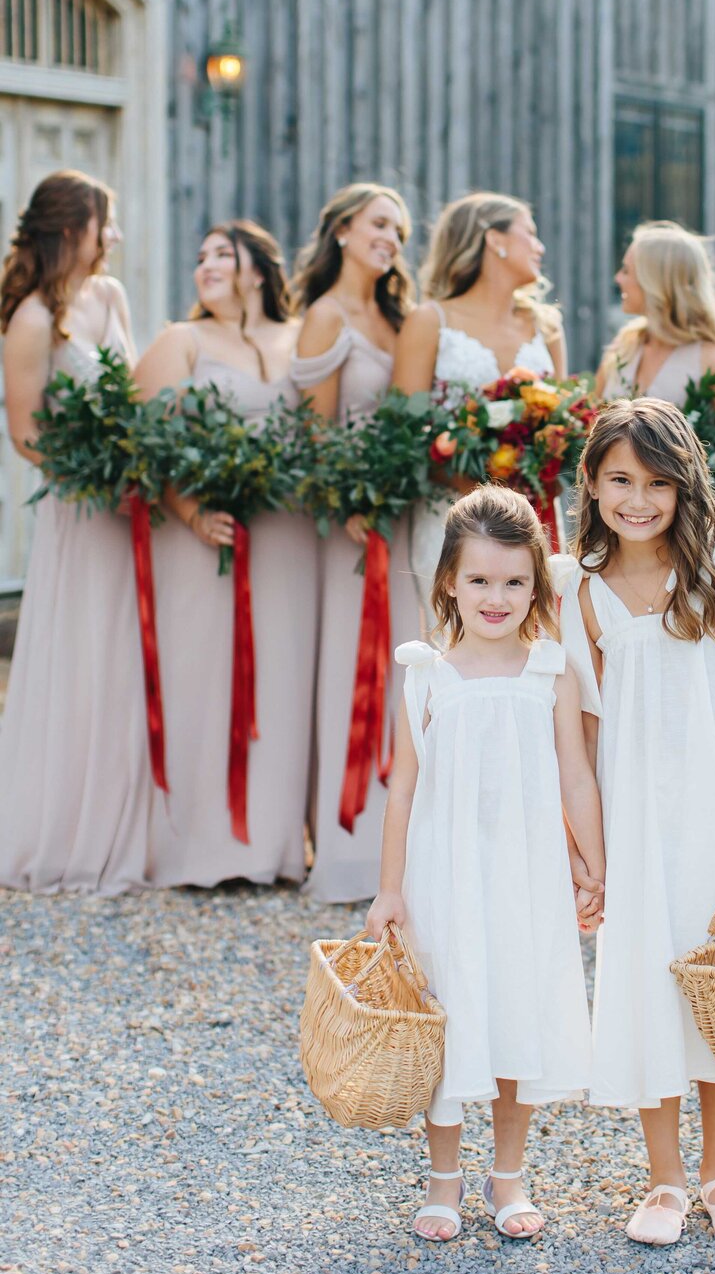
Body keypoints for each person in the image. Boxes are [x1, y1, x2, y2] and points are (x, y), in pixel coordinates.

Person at [552, 398, 715, 1245]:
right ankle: (663, 1179)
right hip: (635, 822)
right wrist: (591, 856)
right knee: (653, 985)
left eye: (658, 483)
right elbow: (584, 729)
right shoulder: (581, 590)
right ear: (591, 483)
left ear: (684, 485)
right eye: (620, 480)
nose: (638, 500)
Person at [366, 487, 603, 1243]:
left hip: (527, 876)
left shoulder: (551, 670)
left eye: (513, 582)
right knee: (450, 1017)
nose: (495, 597)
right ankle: (444, 1178)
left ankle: (509, 1175)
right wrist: (390, 891)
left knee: (514, 1014)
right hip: (446, 876)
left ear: (537, 584)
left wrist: (592, 864)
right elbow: (402, 789)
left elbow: (574, 776)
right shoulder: (427, 675)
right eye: (479, 581)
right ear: (449, 584)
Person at [134, 221, 316, 887]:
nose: (205, 265)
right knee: (205, 683)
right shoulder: (181, 340)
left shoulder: (301, 339)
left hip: (293, 538)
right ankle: (200, 849)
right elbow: (143, 443)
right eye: (200, 255)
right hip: (207, 539)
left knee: (284, 680)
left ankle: (271, 849)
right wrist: (190, 511)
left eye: (222, 254)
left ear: (259, 270)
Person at [0, 170, 148, 894]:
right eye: (104, 223)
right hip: (81, 509)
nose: (113, 236)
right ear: (72, 229)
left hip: (132, 509)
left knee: (127, 655)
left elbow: (137, 394)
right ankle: (69, 827)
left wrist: (140, 463)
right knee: (82, 651)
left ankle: (128, 815)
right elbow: (26, 435)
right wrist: (98, 475)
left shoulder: (111, 296)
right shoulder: (30, 318)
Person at [291, 182, 422, 902]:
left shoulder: (399, 315)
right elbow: (312, 433)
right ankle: (350, 850)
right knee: (355, 667)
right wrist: (344, 501)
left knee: (409, 670)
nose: (391, 238)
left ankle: (406, 846)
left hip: (405, 514)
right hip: (350, 529)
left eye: (399, 230)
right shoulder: (325, 316)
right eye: (379, 223)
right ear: (341, 229)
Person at [393, 193, 565, 602]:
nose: (540, 247)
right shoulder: (429, 321)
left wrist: (545, 462)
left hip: (536, 518)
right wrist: (480, 489)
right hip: (452, 517)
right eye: (531, 234)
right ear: (495, 239)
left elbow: (564, 423)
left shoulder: (546, 326)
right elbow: (403, 434)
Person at [597, 221, 715, 430]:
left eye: (626, 271)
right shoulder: (624, 344)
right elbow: (591, 418)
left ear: (655, 281)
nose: (618, 278)